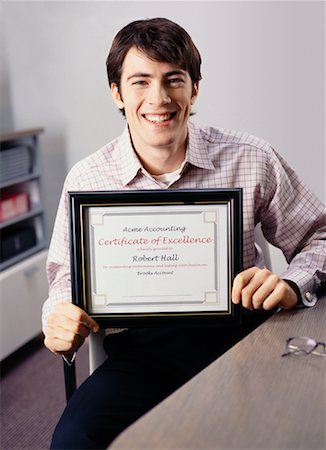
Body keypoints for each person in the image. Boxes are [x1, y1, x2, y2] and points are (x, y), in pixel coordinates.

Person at [43, 17, 326, 449]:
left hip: (241, 340)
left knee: (294, 427)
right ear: (117, 92)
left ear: (194, 88)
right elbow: (65, 280)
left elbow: (320, 235)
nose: (158, 98)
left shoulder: (250, 158)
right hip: (137, 355)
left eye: (173, 80)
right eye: (140, 81)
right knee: (74, 440)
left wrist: (289, 283)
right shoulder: (87, 177)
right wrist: (57, 316)